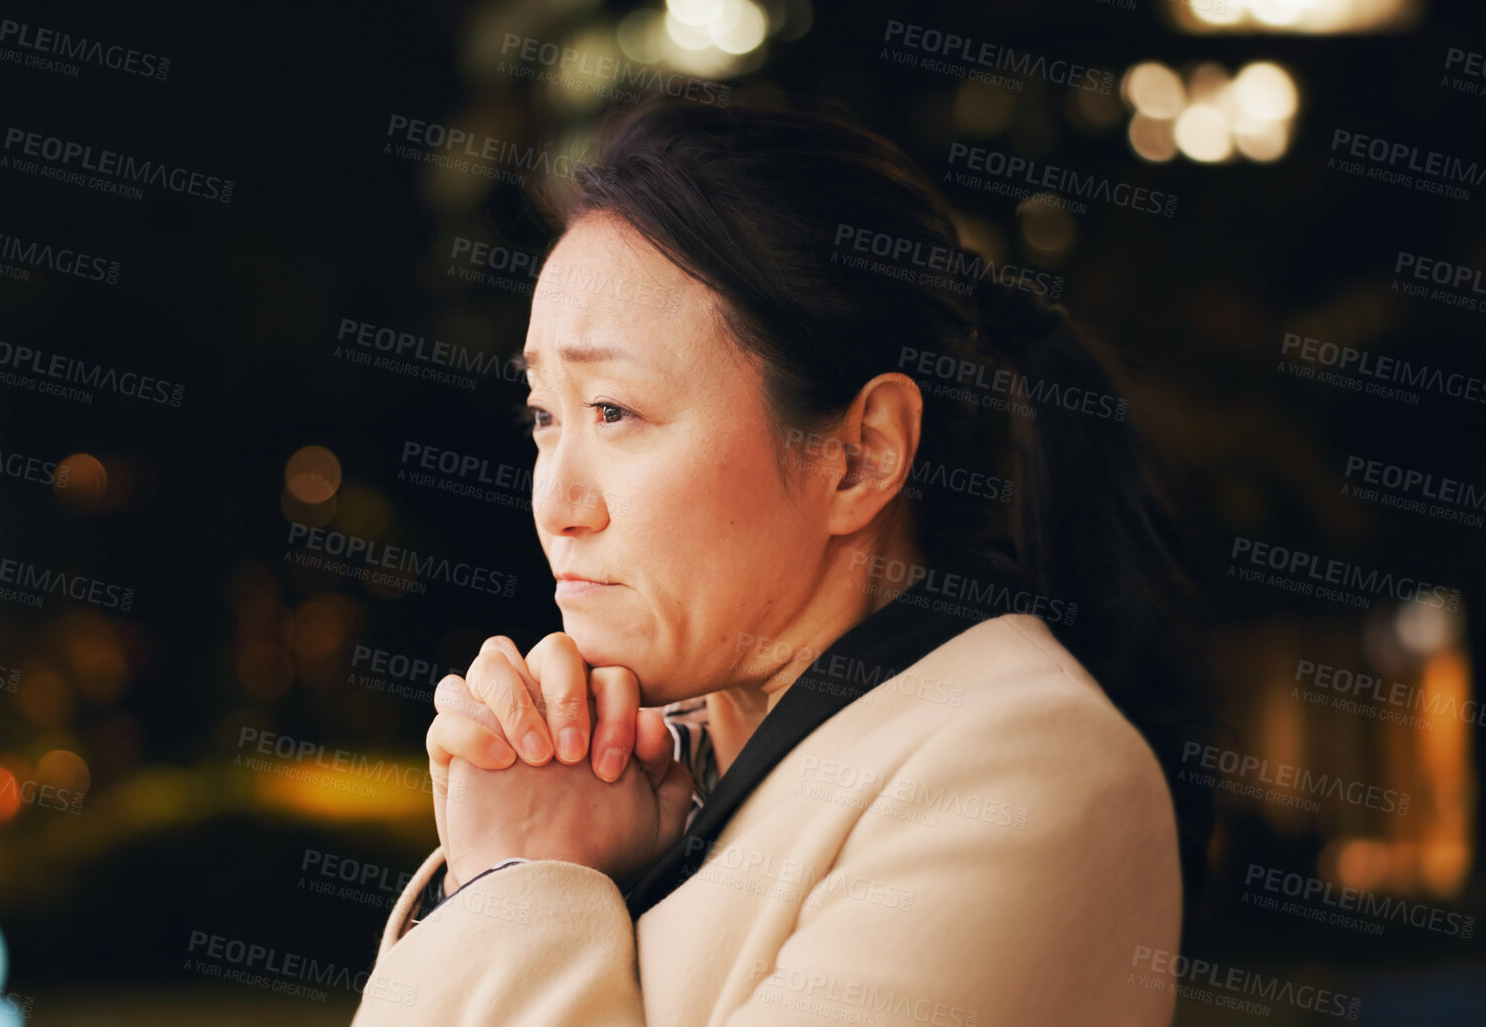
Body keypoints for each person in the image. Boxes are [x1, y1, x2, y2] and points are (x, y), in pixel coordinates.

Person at [350, 98, 1209, 1027]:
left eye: (614, 412)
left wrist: (514, 880)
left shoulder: (1021, 775)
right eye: (543, 416)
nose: (555, 501)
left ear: (860, 454)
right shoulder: (670, 772)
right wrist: (554, 858)